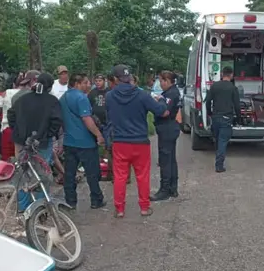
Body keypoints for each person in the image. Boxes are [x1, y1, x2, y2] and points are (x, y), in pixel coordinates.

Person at [106, 64, 169, 218]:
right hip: (140, 142)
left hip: (120, 142)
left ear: (115, 79)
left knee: (120, 176)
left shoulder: (109, 96)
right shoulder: (142, 95)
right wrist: (161, 101)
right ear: (130, 78)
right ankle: (144, 207)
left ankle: (119, 209)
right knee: (142, 175)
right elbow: (162, 112)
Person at [60, 74, 106, 210]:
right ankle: (96, 199)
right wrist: (99, 135)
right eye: (86, 83)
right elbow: (87, 119)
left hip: (69, 141)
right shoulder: (81, 98)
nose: (88, 85)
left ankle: (70, 201)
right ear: (77, 83)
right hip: (85, 142)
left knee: (69, 173)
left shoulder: (63, 98)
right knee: (93, 173)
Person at [8, 72, 62, 165]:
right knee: (41, 169)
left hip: (21, 139)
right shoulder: (52, 101)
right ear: (50, 86)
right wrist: (48, 134)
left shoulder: (23, 98)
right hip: (42, 141)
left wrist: (18, 129)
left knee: (21, 167)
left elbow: (11, 115)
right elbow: (56, 121)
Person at [150, 71, 182, 201]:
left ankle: (165, 190)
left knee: (165, 160)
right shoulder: (173, 92)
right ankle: (173, 188)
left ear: (167, 81)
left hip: (167, 128)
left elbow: (164, 112)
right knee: (171, 160)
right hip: (171, 127)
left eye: (161, 81)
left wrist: (158, 102)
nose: (160, 84)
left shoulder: (170, 94)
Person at [205, 66, 240, 173]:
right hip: (226, 118)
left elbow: (207, 101)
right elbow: (237, 105)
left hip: (215, 117)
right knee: (223, 141)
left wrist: (209, 113)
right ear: (231, 75)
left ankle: (218, 159)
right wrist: (239, 118)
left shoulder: (214, 86)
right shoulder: (233, 88)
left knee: (217, 139)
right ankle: (219, 165)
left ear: (222, 74)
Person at [0, 74, 30, 161]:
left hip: (8, 128)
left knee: (7, 158)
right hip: (24, 130)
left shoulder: (7, 92)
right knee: (23, 158)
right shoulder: (29, 93)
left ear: (14, 84)